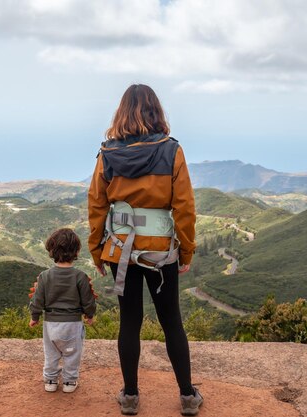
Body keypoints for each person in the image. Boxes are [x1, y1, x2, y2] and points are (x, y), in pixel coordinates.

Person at [87, 84, 202, 415]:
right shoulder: (172, 151)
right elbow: (184, 208)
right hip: (161, 253)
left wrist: (97, 250)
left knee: (130, 322)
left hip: (120, 251)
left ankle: (131, 397)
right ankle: (187, 398)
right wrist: (187, 250)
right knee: (172, 322)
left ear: (122, 112)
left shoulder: (106, 155)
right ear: (156, 111)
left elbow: (96, 207)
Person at [29, 228, 97, 393]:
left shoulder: (45, 276)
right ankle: (69, 382)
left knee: (51, 354)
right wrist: (90, 315)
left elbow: (37, 299)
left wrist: (35, 316)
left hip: (50, 324)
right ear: (76, 251)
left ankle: (50, 380)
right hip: (73, 324)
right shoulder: (80, 276)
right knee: (72, 355)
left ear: (51, 250)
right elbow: (88, 300)